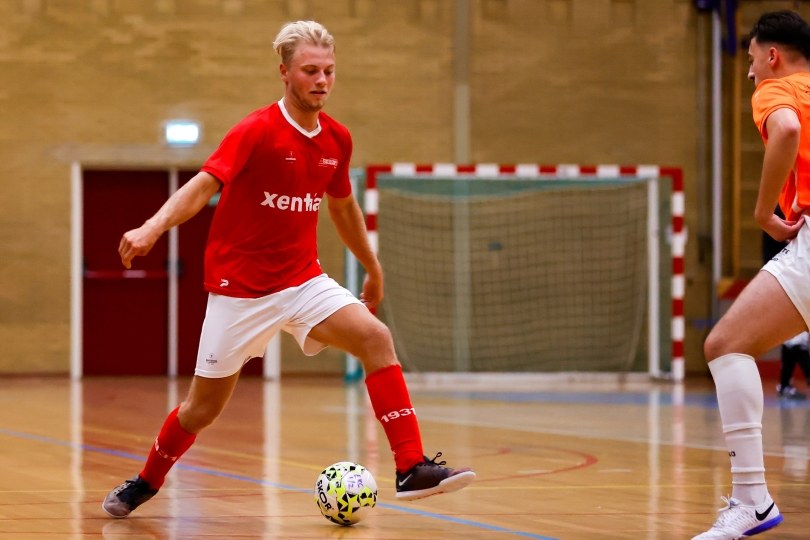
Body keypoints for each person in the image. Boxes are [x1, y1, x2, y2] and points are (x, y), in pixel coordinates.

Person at [102, 20, 475, 519]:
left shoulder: (337, 139)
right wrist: (153, 227)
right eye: (310, 71)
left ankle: (410, 466)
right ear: (284, 72)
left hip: (302, 281)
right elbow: (204, 184)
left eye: (329, 71)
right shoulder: (255, 130)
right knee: (201, 410)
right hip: (240, 292)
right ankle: (146, 481)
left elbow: (343, 208)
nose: (321, 80)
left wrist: (372, 265)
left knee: (375, 337)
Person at [692, 10, 810, 539]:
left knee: (725, 344)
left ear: (772, 55)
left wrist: (764, 212)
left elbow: (786, 128)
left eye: (751, 59)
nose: (749, 72)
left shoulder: (778, 89)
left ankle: (751, 500)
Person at [762, 206, 810, 400]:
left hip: (786, 277)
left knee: (794, 340)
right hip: (786, 279)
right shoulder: (784, 211)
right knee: (796, 341)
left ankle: (784, 385)